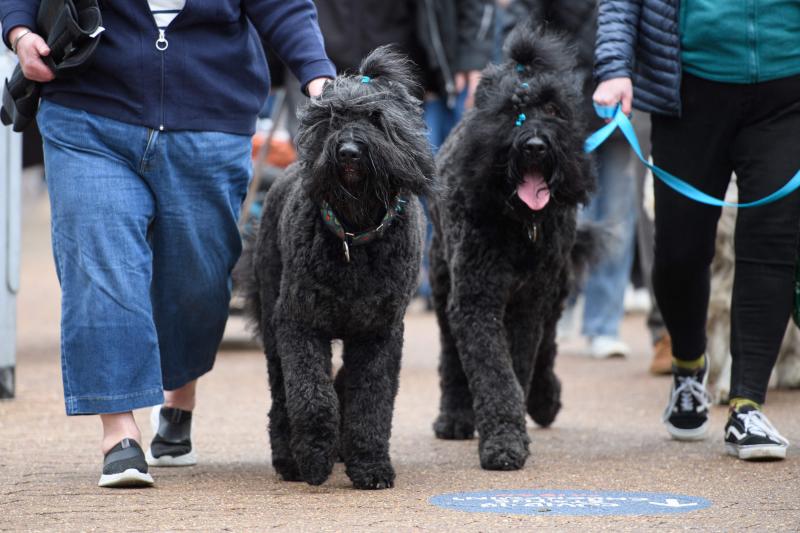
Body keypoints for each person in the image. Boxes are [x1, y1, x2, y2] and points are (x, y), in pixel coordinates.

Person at [1, 0, 335, 486]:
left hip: (210, 118)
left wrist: (317, 76)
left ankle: (180, 395)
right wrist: (19, 33)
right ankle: (119, 434)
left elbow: (282, 6)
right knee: (102, 264)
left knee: (197, 280)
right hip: (90, 108)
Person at [594, 0, 800, 459]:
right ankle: (688, 364)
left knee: (771, 241)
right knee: (679, 252)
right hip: (690, 90)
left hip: (787, 90)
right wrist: (614, 66)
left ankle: (748, 404)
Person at [313, 0, 495, 305]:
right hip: (323, 71)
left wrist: (466, 58)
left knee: (415, 187)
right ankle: (328, 296)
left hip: (406, 77)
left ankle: (415, 281)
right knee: (322, 195)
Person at [503, 0, 638, 359]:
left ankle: (603, 324)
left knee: (617, 213)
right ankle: (557, 308)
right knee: (558, 214)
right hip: (557, 107)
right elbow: (521, 19)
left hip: (621, 97)